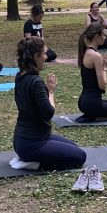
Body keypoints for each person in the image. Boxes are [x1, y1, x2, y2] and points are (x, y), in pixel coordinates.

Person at [13, 37, 86, 170]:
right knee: (80, 157)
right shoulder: (35, 82)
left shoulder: (20, 76)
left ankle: (27, 158)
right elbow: (49, 113)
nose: (46, 57)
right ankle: (33, 164)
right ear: (36, 56)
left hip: (23, 141)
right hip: (33, 144)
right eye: (44, 53)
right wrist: (51, 92)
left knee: (74, 147)